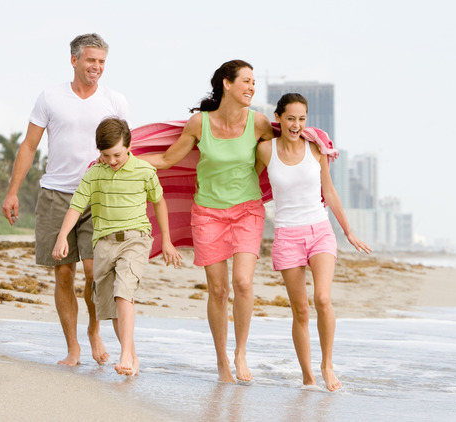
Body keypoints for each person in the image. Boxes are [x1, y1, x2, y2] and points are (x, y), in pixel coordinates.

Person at [141, 60, 274, 383]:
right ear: (227, 84)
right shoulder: (198, 124)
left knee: (242, 283)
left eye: (254, 82)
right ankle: (222, 363)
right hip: (207, 213)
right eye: (246, 81)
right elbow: (168, 158)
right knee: (218, 289)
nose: (252, 87)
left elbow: (275, 159)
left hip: (247, 211)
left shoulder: (259, 123)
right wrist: (122, 158)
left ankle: (241, 353)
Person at [1, 33, 129, 366]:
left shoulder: (115, 101)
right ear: (74, 60)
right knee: (63, 274)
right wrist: (13, 191)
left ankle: (94, 329)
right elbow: (29, 146)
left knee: (94, 271)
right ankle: (73, 347)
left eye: (101, 62)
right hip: (56, 194)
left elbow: (126, 153)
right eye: (90, 60)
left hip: (97, 197)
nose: (96, 67)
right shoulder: (50, 97)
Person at [255, 93, 372, 391]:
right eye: (291, 118)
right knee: (301, 311)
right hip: (286, 235)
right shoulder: (265, 150)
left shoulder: (316, 148)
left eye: (302, 119)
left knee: (322, 299)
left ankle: (327, 365)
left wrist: (348, 231)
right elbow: (247, 183)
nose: (296, 125)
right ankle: (307, 376)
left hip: (319, 230)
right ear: (279, 118)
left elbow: (329, 192)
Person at [52, 117, 182, 375]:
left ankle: (124, 355)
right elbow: (76, 207)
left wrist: (166, 240)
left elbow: (159, 202)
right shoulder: (94, 174)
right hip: (103, 244)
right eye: (106, 155)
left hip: (135, 239)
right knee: (112, 307)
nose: (112, 161)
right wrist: (62, 237)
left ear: (129, 147)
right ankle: (132, 357)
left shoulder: (144, 170)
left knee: (124, 292)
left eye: (117, 155)